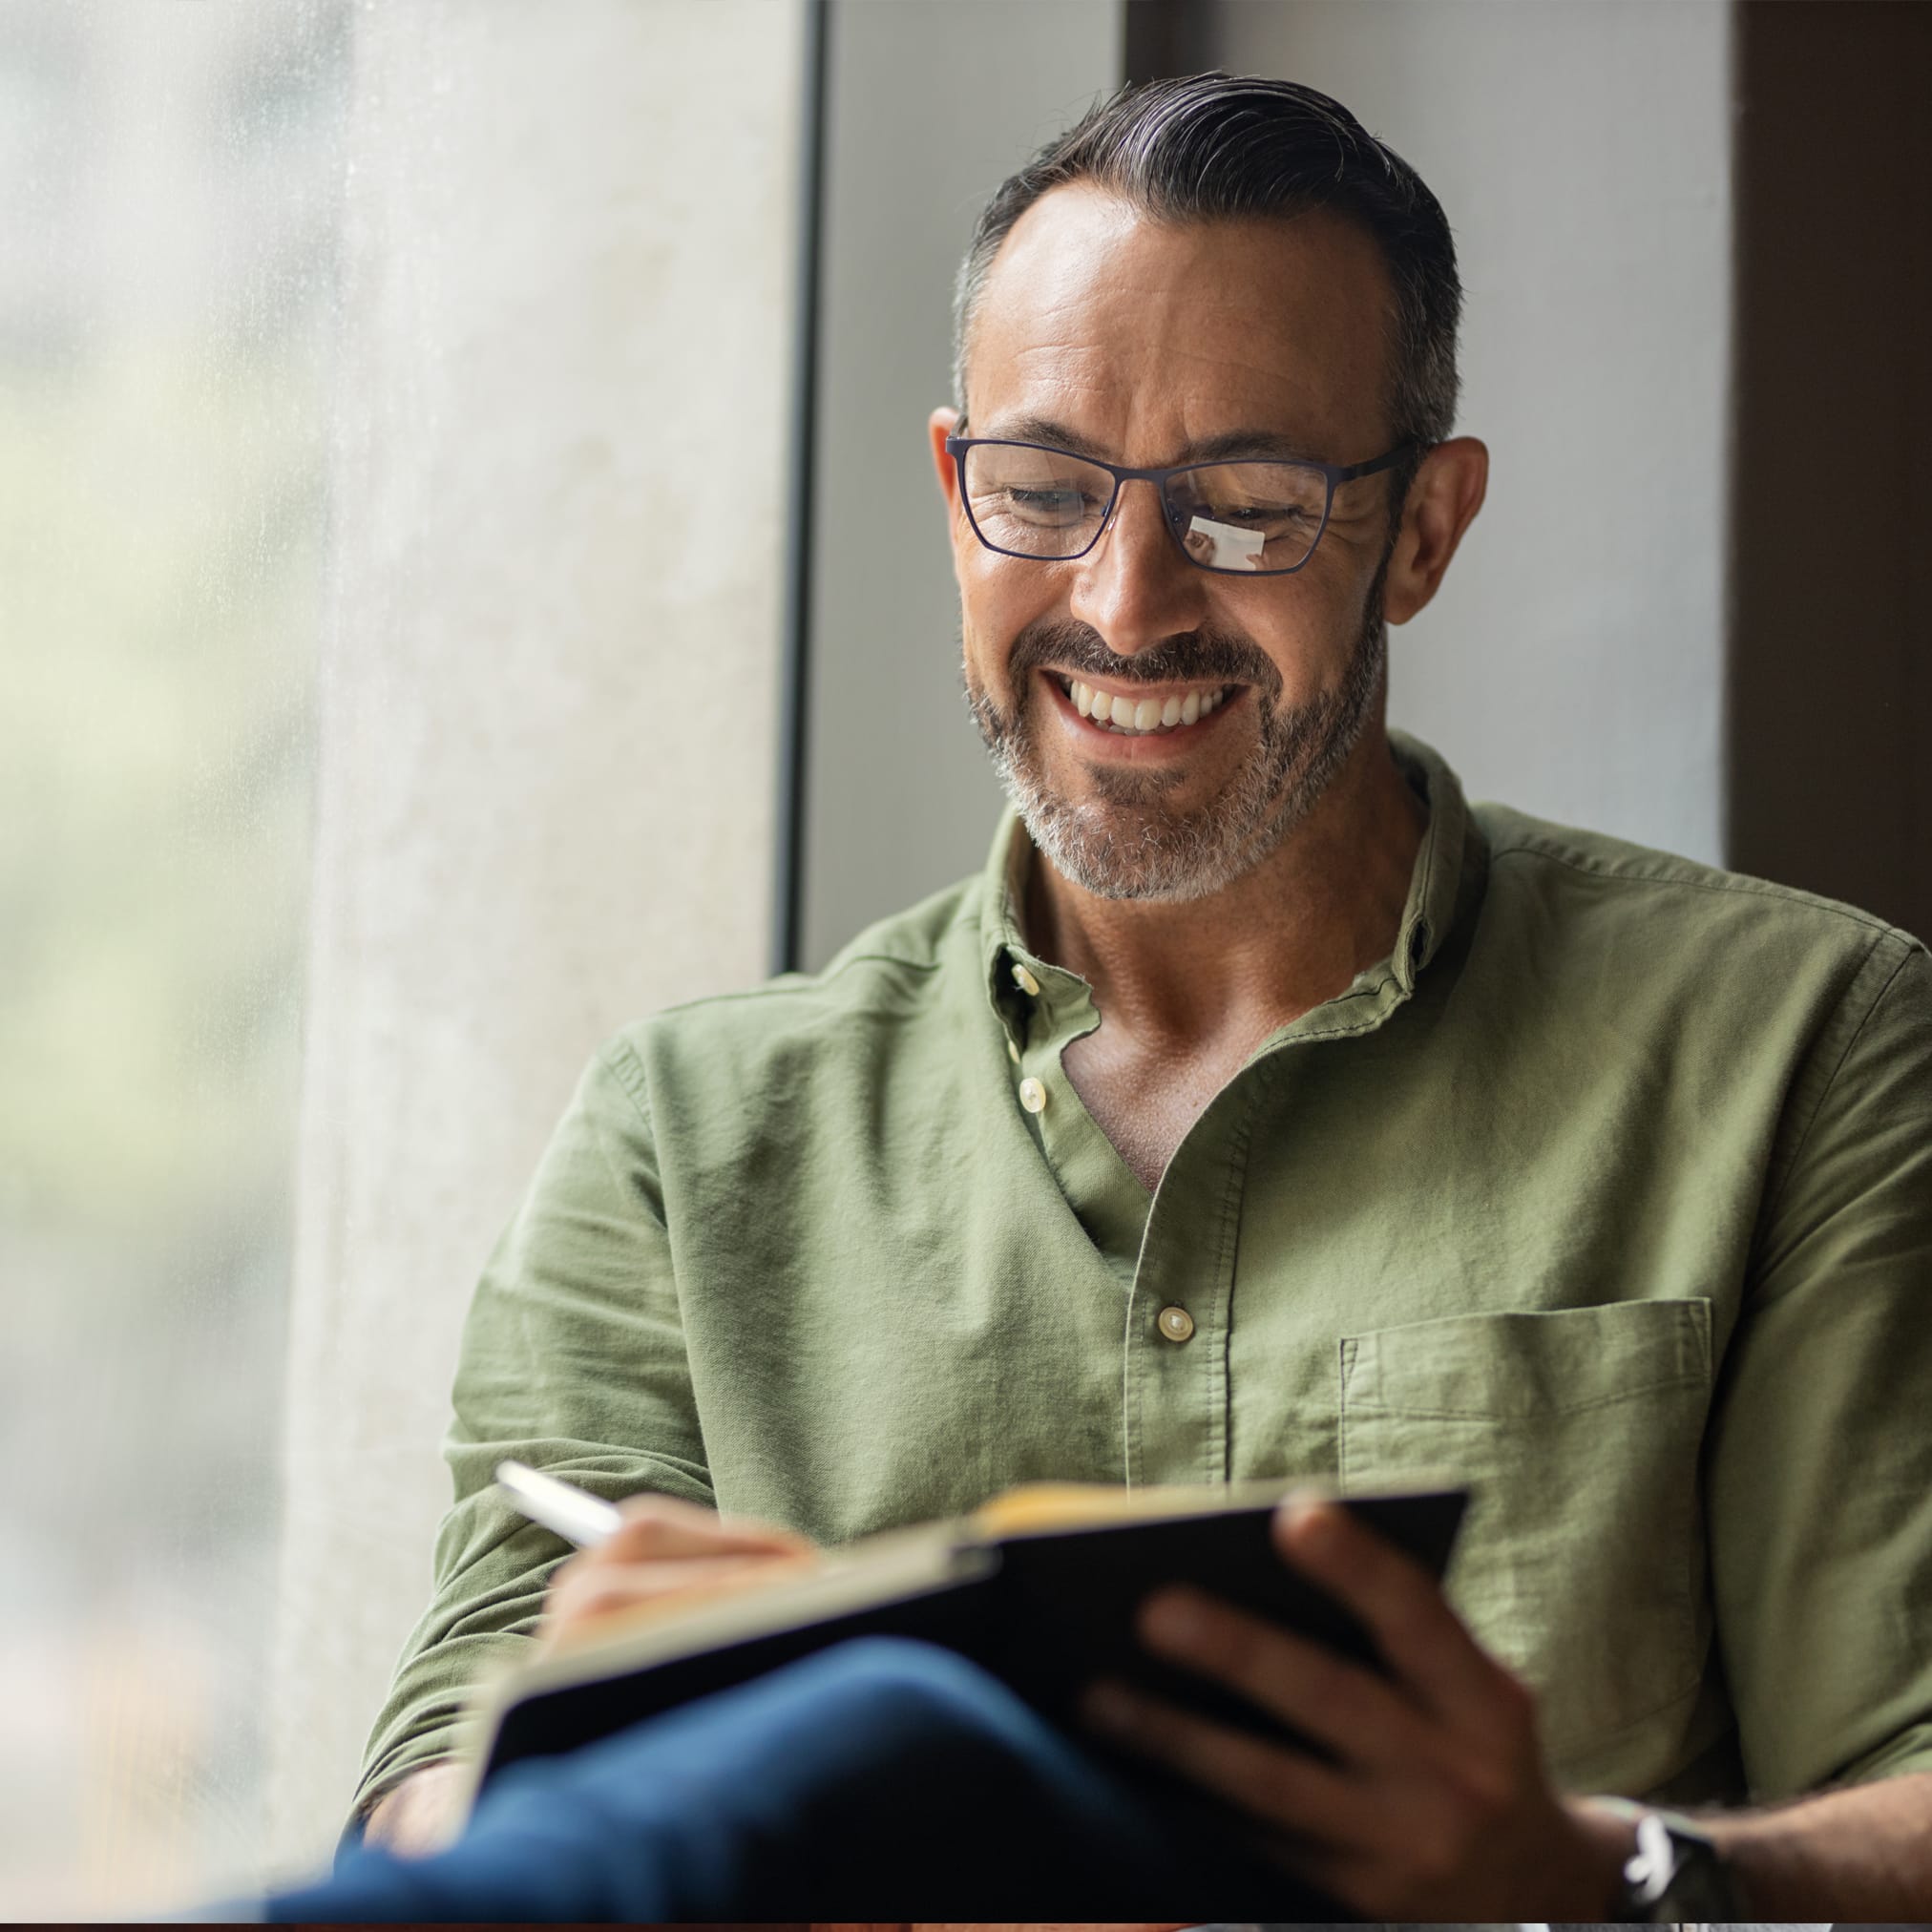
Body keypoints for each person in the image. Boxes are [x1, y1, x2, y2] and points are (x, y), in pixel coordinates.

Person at [314, 73, 1932, 1920]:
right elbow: (421, 1800)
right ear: (953, 494)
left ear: (1422, 527)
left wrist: (1577, 1864)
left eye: (1245, 505)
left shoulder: (1806, 1043)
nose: (1128, 597)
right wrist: (613, 1767)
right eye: (1045, 490)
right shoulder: (683, 1141)